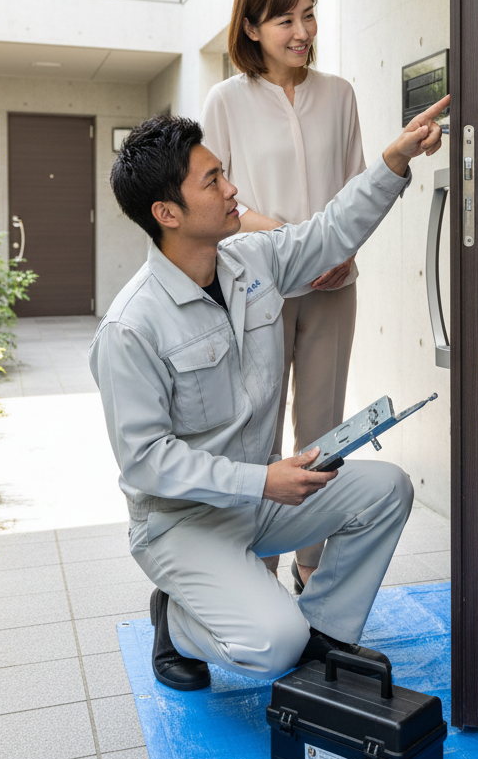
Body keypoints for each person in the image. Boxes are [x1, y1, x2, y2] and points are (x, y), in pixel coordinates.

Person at [88, 95, 447, 690]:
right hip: (183, 523)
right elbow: (146, 461)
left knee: (386, 488)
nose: (232, 190)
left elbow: (328, 234)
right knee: (269, 646)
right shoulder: (131, 327)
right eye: (213, 180)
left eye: (223, 173)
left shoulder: (249, 260)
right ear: (167, 213)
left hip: (258, 498)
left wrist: (395, 159)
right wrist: (263, 480)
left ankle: (324, 633)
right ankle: (176, 622)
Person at [201, 0, 364, 594]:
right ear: (250, 27)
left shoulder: (340, 93)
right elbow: (217, 200)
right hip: (259, 288)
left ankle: (311, 565)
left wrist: (343, 249)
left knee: (323, 429)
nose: (303, 31)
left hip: (334, 287)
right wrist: (290, 237)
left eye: (309, 14)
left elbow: (357, 186)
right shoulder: (226, 101)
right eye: (284, 19)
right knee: (258, 429)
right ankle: (256, 566)